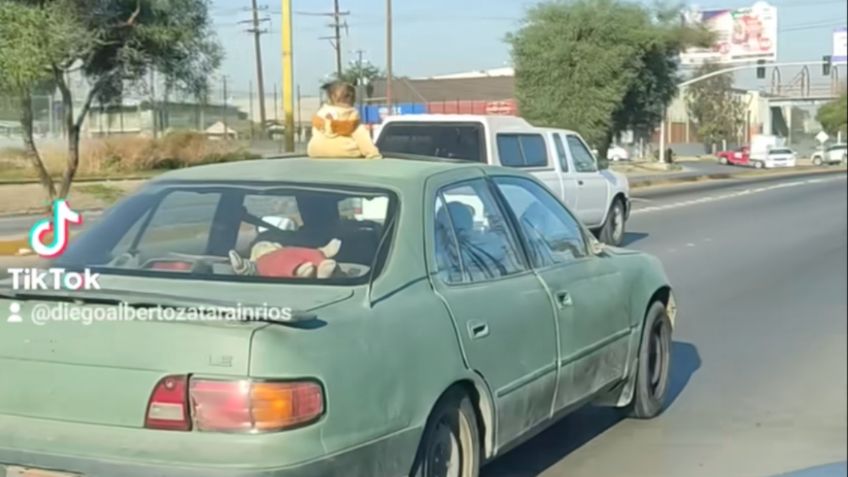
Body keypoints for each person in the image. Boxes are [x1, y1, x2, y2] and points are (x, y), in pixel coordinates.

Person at [307, 81, 381, 159]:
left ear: (330, 98)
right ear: (352, 99)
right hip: (346, 155)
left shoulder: (320, 116)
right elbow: (363, 140)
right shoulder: (351, 119)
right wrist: (374, 155)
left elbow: (315, 133)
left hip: (316, 153)